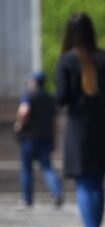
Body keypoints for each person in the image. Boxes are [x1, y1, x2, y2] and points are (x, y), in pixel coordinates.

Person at [55, 13, 105, 227]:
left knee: (84, 182)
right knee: (97, 182)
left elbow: (61, 97)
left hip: (79, 126)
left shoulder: (66, 61)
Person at [13, 71, 63, 209]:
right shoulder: (49, 98)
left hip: (29, 139)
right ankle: (57, 193)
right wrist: (55, 140)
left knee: (26, 169)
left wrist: (19, 124)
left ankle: (27, 200)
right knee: (47, 168)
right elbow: (55, 121)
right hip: (46, 139)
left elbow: (24, 111)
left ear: (34, 82)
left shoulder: (28, 95)